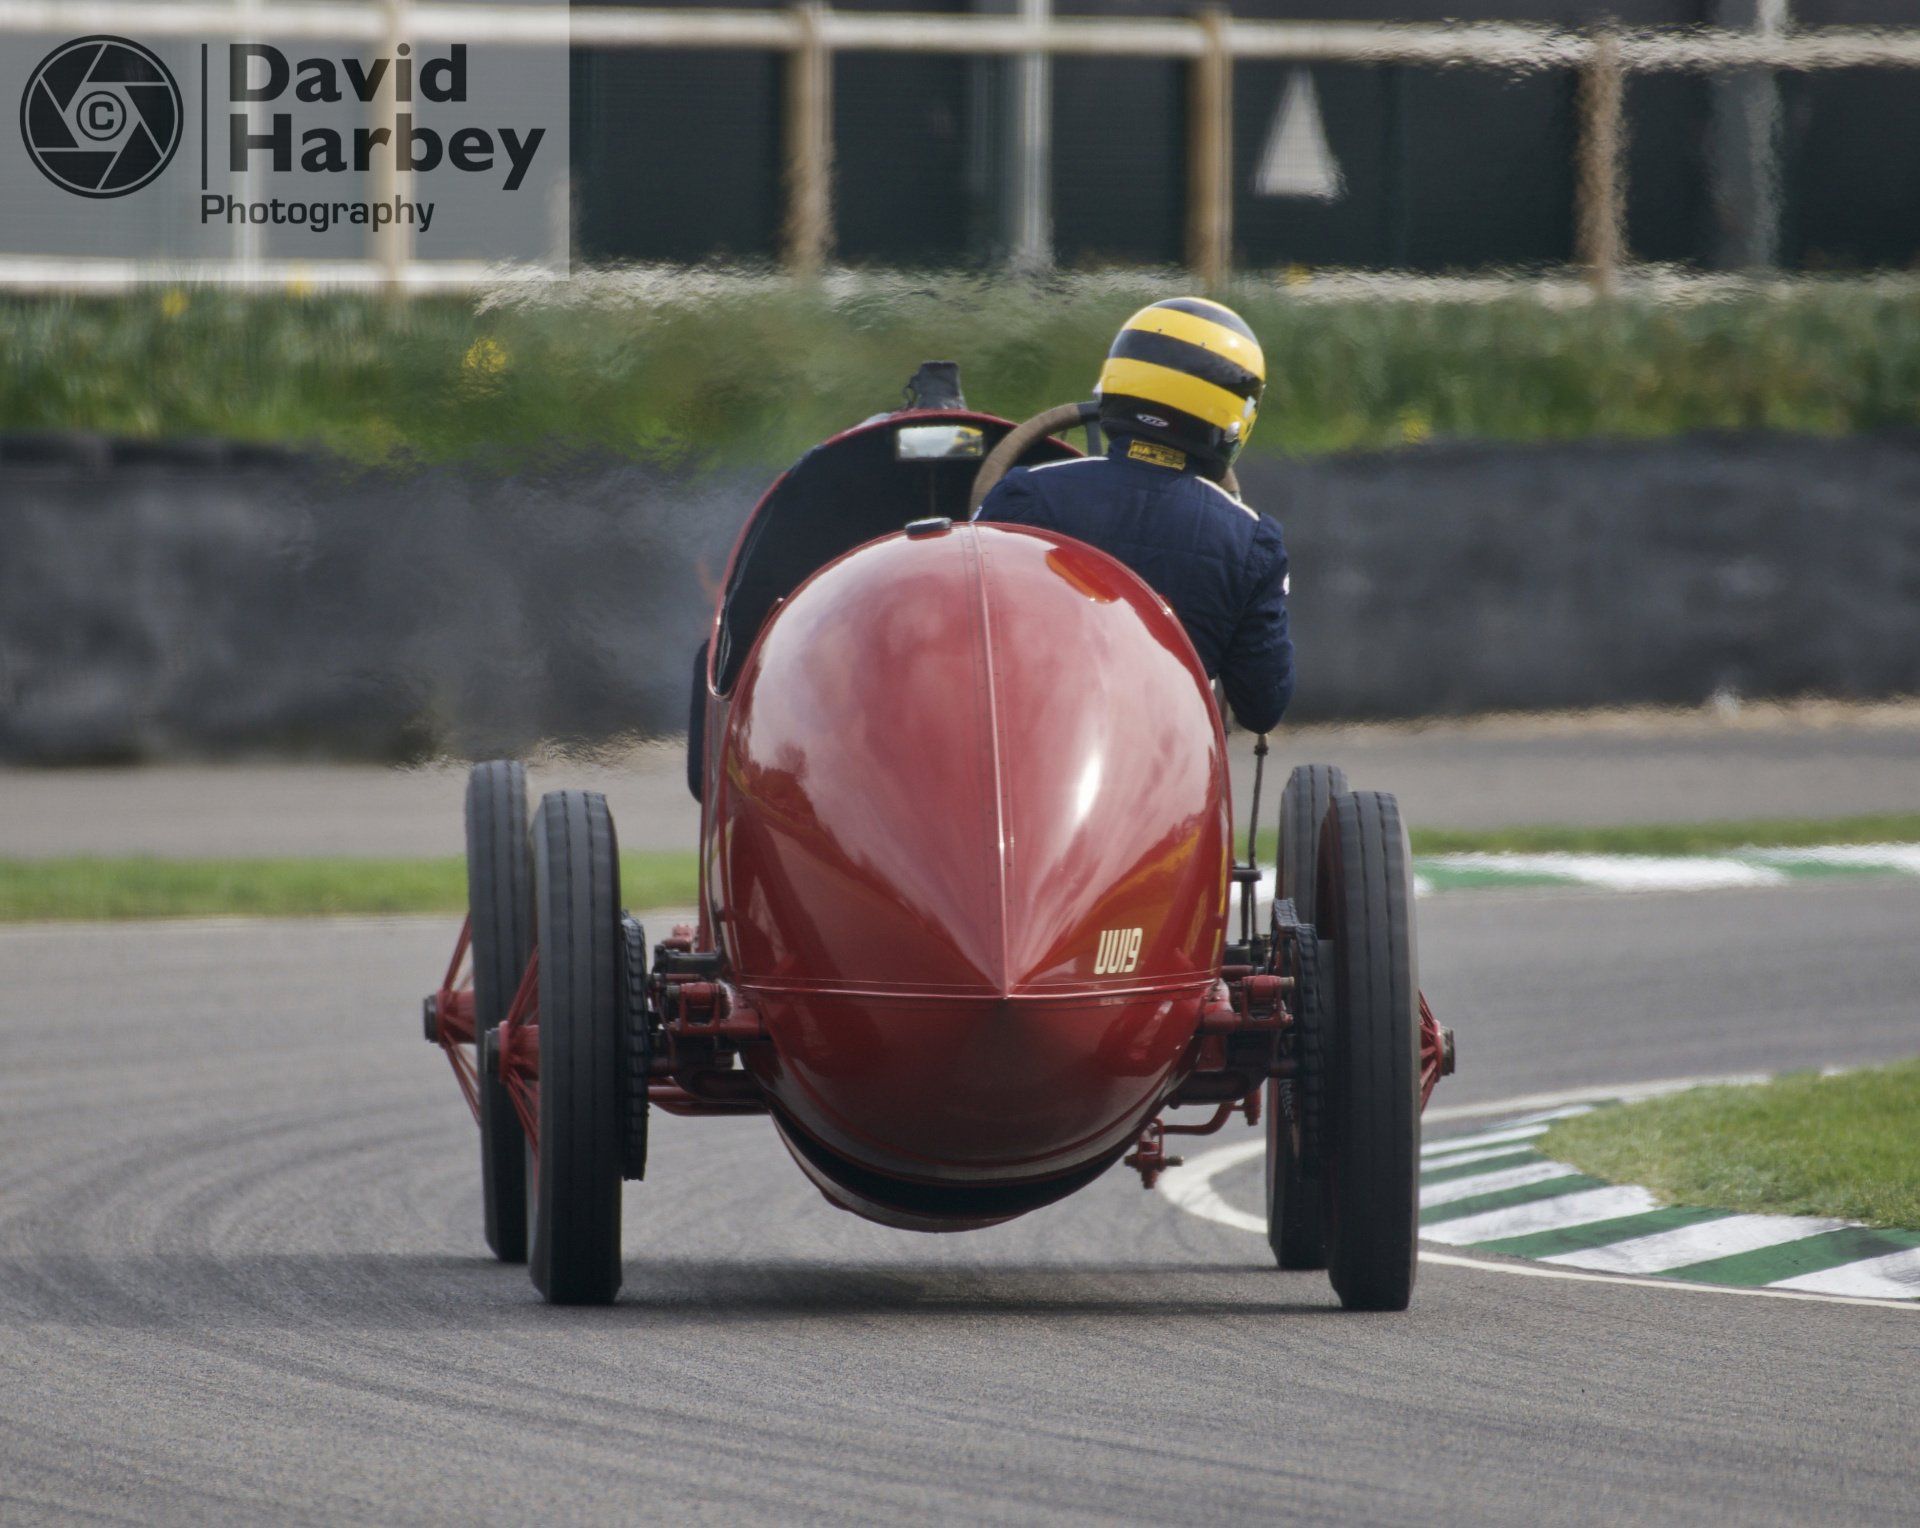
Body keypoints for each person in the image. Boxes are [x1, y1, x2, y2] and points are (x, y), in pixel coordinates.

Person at [972, 297, 1294, 734]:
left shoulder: (1025, 494)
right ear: (1232, 416)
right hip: (1166, 762)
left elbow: (972, 640)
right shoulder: (1252, 542)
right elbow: (1262, 707)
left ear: (1117, 382)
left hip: (1034, 746)